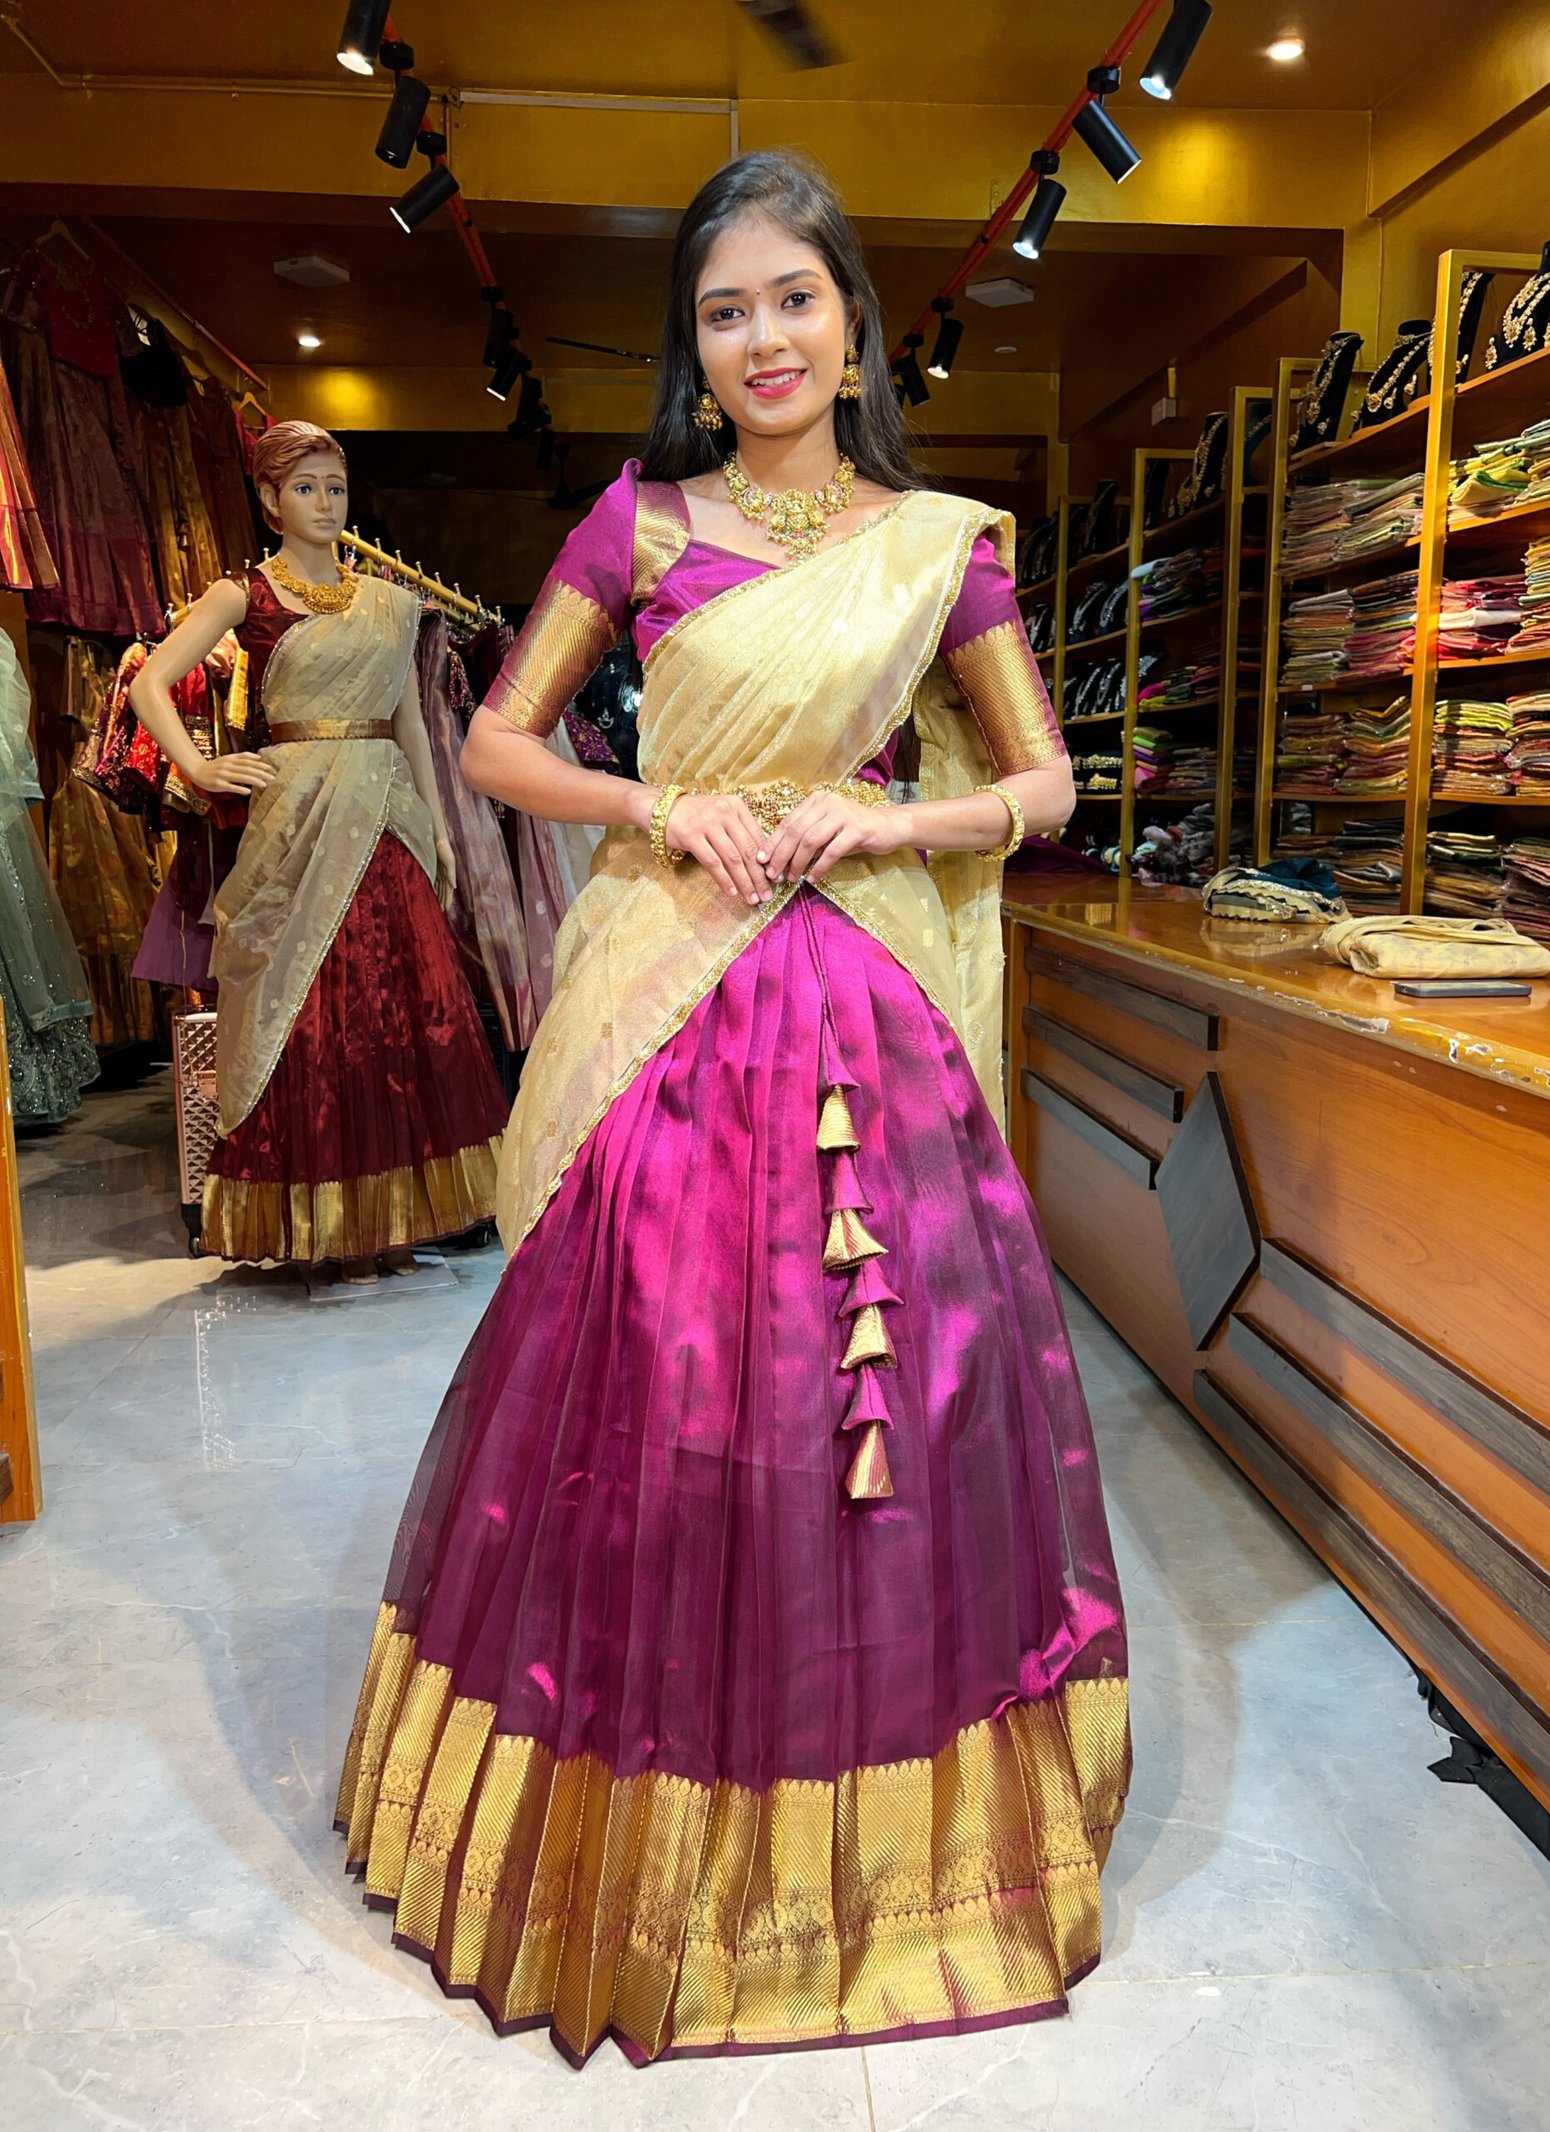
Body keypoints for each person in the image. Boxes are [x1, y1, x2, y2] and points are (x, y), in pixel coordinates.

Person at [336, 150, 1128, 2065]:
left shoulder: (940, 546)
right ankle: (641, 1831)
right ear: (691, 346)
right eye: (723, 309)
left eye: (793, 298)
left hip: (870, 1013)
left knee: (891, 1382)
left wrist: (898, 817)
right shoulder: (641, 521)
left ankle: (896, 1852)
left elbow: (1048, 785)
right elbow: (500, 741)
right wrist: (657, 804)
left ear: (853, 325)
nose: (763, 337)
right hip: (672, 1003)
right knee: (669, 1385)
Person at [129, 422, 507, 1277]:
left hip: (386, 814)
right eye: (305, 488)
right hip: (295, 818)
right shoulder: (244, 595)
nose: (325, 504)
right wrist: (198, 767)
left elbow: (409, 720)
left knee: (400, 1010)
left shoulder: (389, 603)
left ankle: (396, 1219)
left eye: (335, 488)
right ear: (270, 500)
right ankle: (321, 1222)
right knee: (307, 1011)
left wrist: (437, 823)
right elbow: (151, 681)